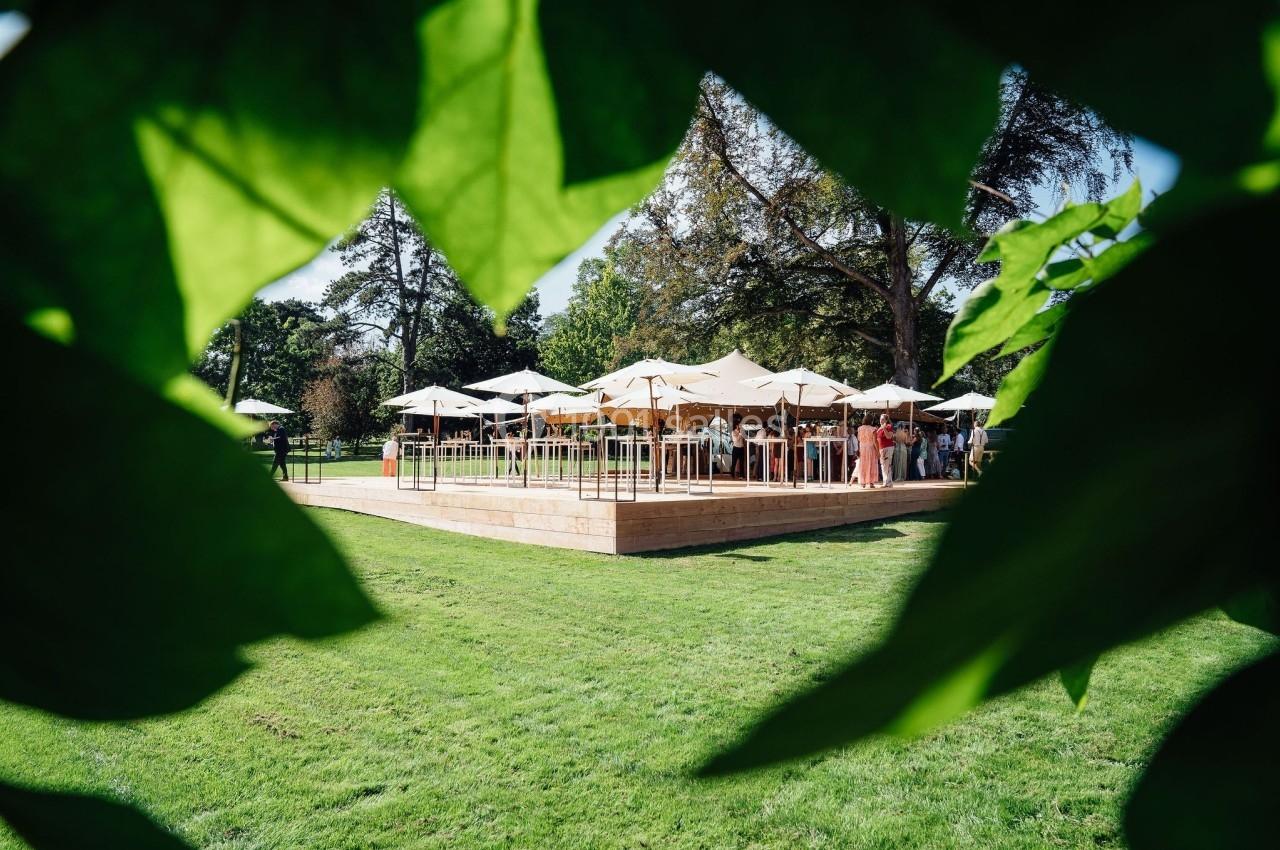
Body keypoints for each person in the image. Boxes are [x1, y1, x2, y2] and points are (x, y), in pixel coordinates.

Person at [855, 414, 880, 488]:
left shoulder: (859, 428)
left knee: (863, 465)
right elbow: (875, 441)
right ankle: (871, 482)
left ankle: (863, 482)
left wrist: (858, 449)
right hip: (870, 448)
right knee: (871, 464)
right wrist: (878, 451)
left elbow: (859, 439)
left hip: (862, 448)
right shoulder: (873, 429)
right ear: (871, 421)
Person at [876, 414, 896, 488]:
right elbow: (878, 440)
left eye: (883, 419)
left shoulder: (889, 426)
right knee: (884, 465)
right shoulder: (879, 429)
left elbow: (889, 437)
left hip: (888, 448)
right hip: (881, 449)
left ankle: (886, 482)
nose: (881, 420)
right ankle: (888, 482)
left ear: (886, 420)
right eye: (880, 419)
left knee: (887, 465)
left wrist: (884, 428)